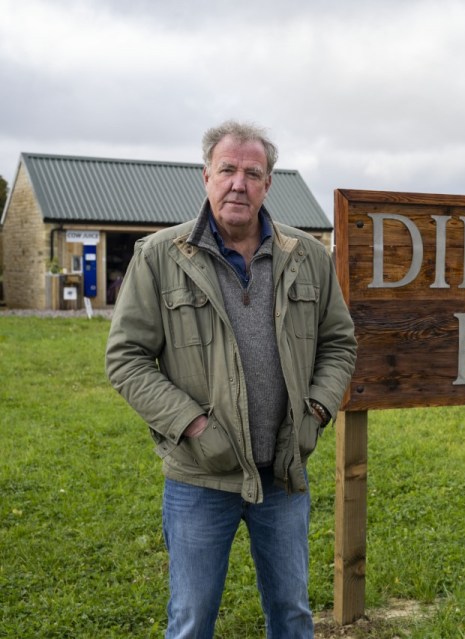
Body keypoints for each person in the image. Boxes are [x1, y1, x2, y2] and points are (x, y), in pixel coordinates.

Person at [105, 120, 357, 638]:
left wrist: (315, 411)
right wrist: (194, 426)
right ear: (206, 177)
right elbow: (126, 357)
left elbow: (339, 343)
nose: (238, 183)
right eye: (227, 170)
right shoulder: (159, 257)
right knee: (192, 620)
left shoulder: (307, 256)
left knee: (292, 615)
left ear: (267, 184)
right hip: (200, 478)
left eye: (252, 172)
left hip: (284, 475)